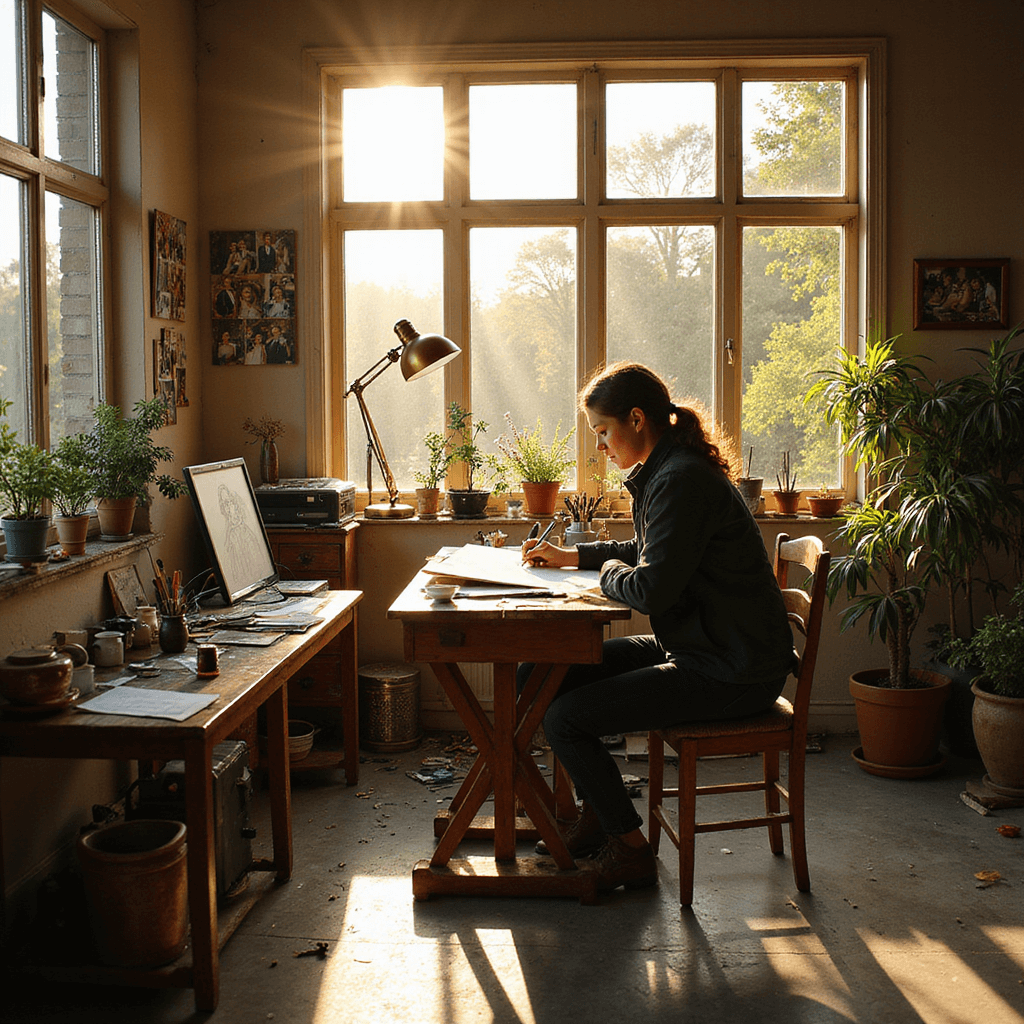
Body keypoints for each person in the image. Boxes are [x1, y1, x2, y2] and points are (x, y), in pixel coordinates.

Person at [519, 362, 797, 892]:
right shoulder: (670, 469)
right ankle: (600, 812)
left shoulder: (680, 479)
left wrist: (604, 572)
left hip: (731, 669)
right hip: (706, 645)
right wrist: (571, 555)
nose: (600, 446)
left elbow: (650, 588)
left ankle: (629, 849)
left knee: (565, 717)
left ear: (637, 419)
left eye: (602, 432)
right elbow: (648, 553)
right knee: (542, 673)